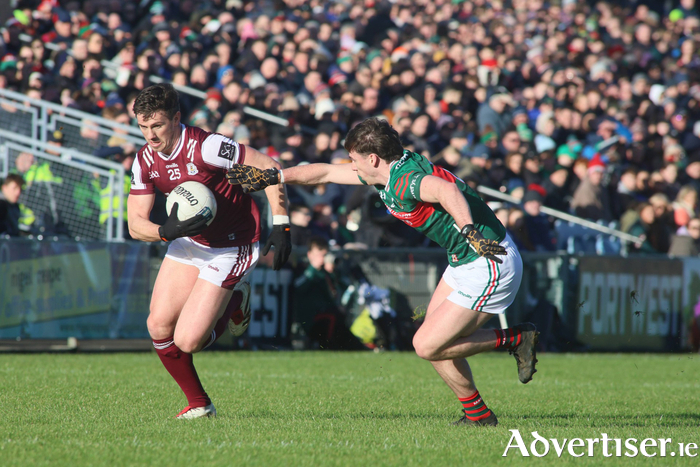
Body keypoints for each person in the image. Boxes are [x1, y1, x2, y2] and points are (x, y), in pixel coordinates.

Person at [226, 117, 538, 426]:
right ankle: (478, 415)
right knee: (436, 343)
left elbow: (446, 191)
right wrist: (274, 175)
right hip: (463, 259)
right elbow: (323, 171)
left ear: (373, 158)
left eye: (354, 159)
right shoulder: (384, 171)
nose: (351, 165)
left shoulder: (404, 178)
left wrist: (469, 231)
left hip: (488, 259)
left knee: (426, 344)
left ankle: (515, 338)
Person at [127, 84, 291, 419]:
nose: (150, 136)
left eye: (157, 125)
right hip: (190, 242)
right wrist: (163, 232)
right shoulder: (144, 160)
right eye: (143, 127)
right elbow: (134, 224)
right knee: (158, 327)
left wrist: (282, 224)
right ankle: (200, 405)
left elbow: (269, 167)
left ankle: (235, 300)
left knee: (188, 341)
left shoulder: (208, 146)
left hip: (233, 245)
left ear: (176, 118)